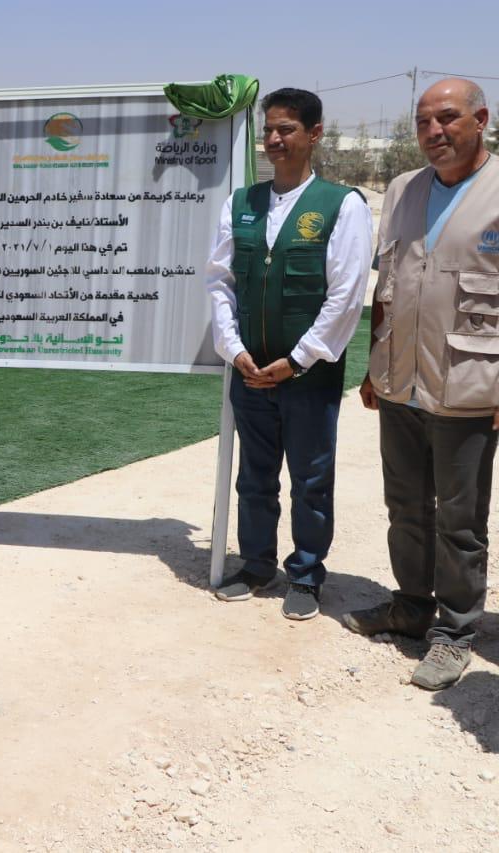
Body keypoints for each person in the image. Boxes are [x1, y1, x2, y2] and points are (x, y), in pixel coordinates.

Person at [345, 78, 497, 690]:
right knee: (405, 506)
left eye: (448, 118)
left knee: (460, 520)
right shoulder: (404, 189)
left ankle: (455, 632)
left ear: (481, 119)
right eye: (423, 121)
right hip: (399, 381)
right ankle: (411, 606)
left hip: (470, 384)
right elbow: (388, 284)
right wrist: (372, 366)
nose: (434, 132)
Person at [205, 88, 372, 619]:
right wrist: (233, 349)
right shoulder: (241, 203)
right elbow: (220, 281)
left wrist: (298, 360)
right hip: (250, 371)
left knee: (310, 480)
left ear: (314, 134)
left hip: (308, 376)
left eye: (287, 130)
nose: (274, 140)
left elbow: (346, 295)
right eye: (269, 130)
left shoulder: (342, 205)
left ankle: (305, 574)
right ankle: (256, 565)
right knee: (254, 477)